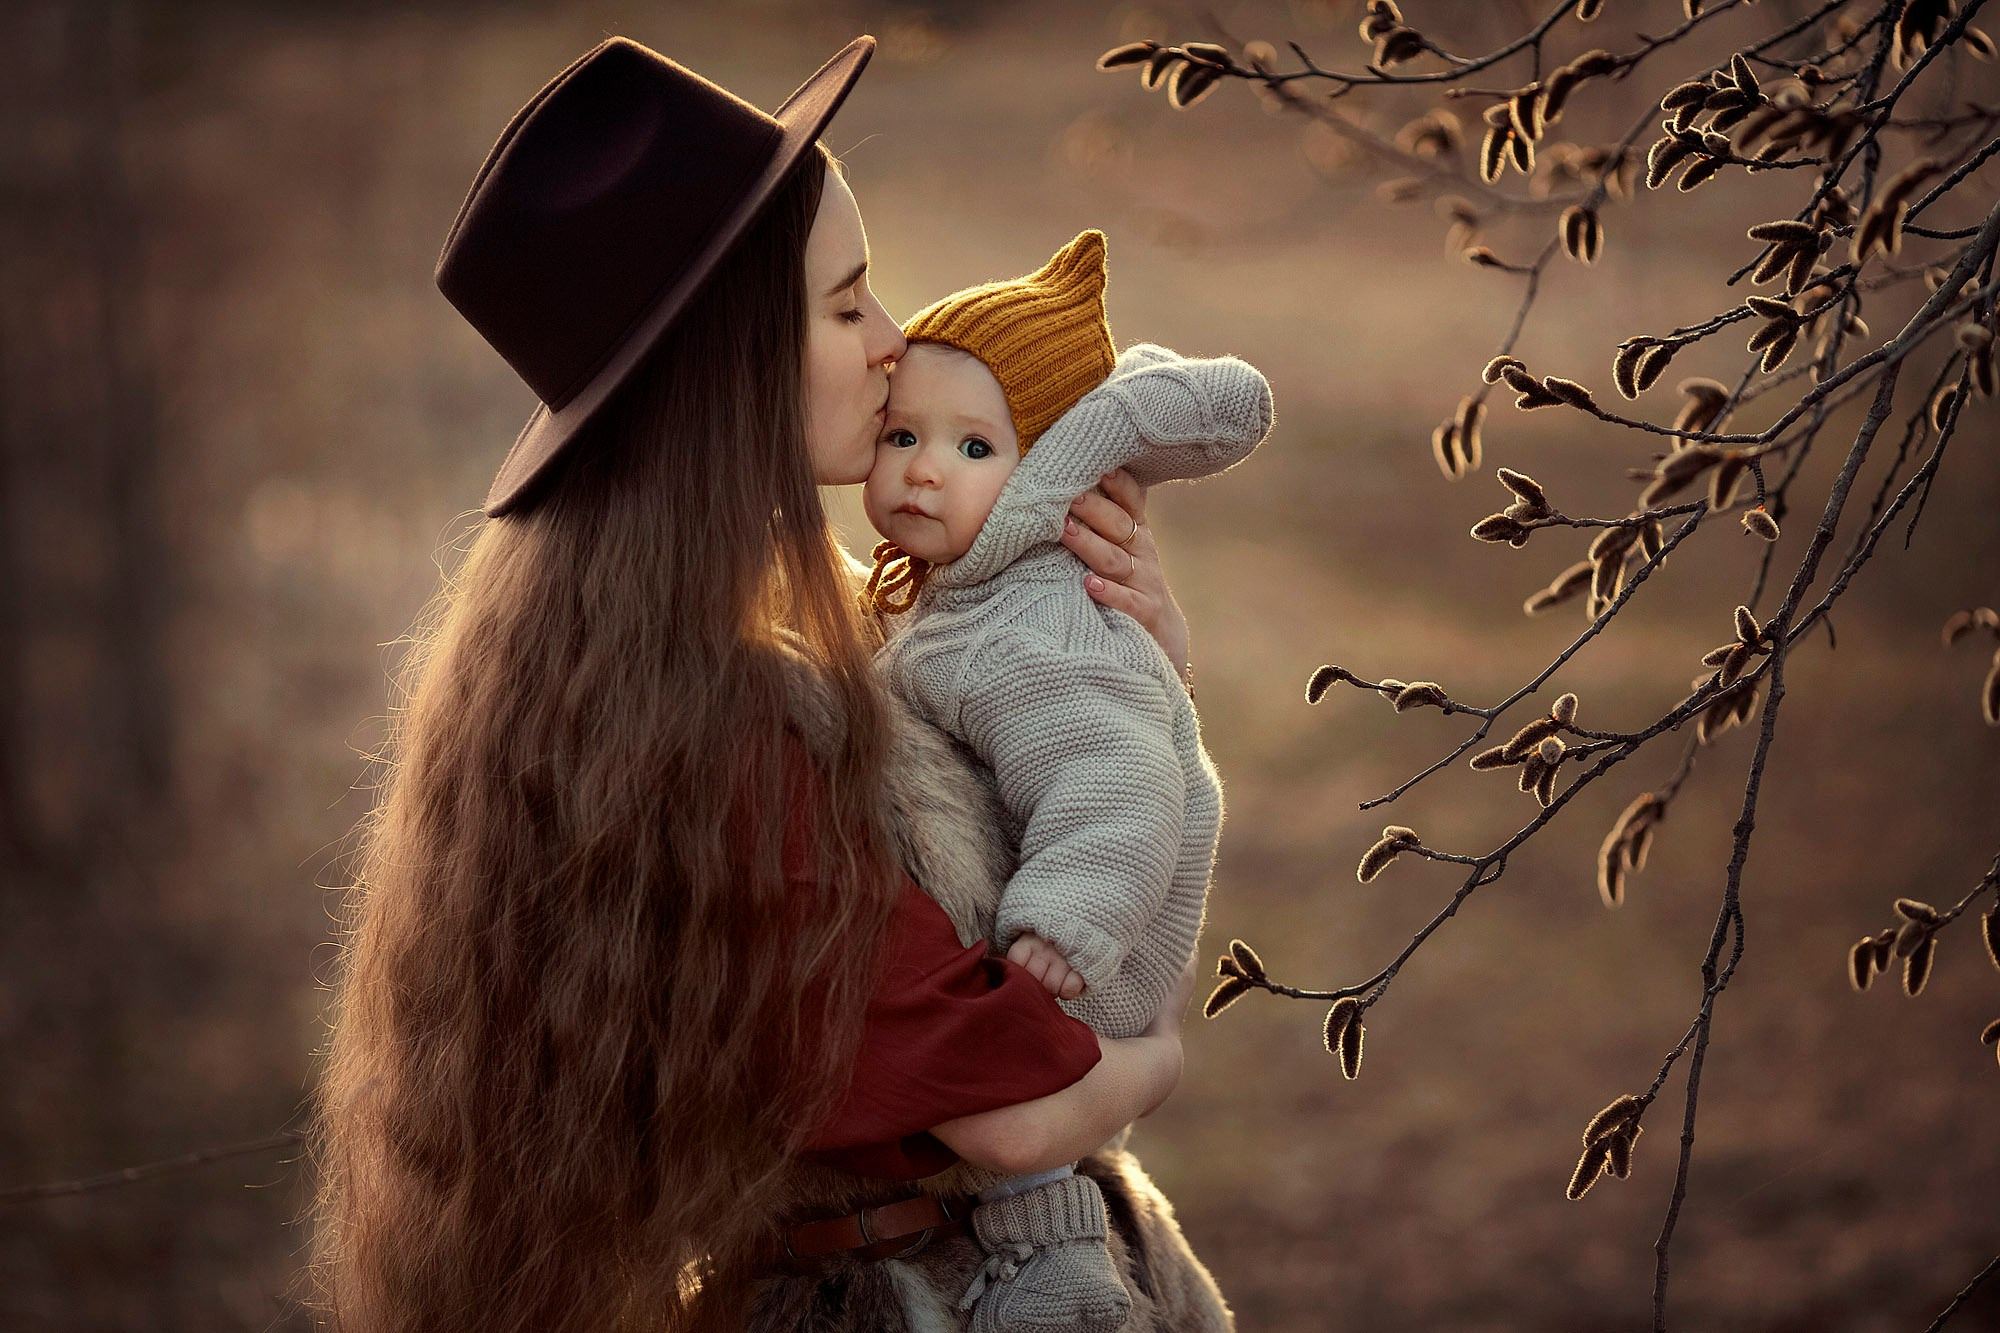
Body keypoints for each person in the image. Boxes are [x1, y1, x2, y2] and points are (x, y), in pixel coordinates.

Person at [309, 34, 1233, 1333]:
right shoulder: (721, 735)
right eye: (846, 300)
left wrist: (1130, 676)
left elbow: (1014, 860)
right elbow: (1013, 1096)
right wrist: (1162, 1062)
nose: (892, 339)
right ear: (734, 358)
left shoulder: (780, 648)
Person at [856, 230, 1272, 1332]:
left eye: (973, 447)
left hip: (1091, 952)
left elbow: (1118, 773)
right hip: (1067, 950)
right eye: (902, 434)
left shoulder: (1033, 625)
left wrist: (1065, 919)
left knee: (1028, 1171)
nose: (921, 468)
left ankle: (1059, 1293)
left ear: (1052, 470)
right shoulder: (961, 594)